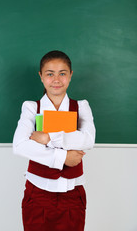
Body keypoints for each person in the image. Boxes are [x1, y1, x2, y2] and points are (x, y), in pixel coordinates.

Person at [13, 50, 96, 231]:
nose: (56, 79)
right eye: (50, 74)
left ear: (71, 75)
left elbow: (88, 140)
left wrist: (48, 138)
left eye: (62, 73)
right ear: (41, 76)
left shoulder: (81, 106)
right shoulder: (31, 107)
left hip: (72, 194)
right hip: (38, 193)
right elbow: (20, 146)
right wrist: (63, 158)